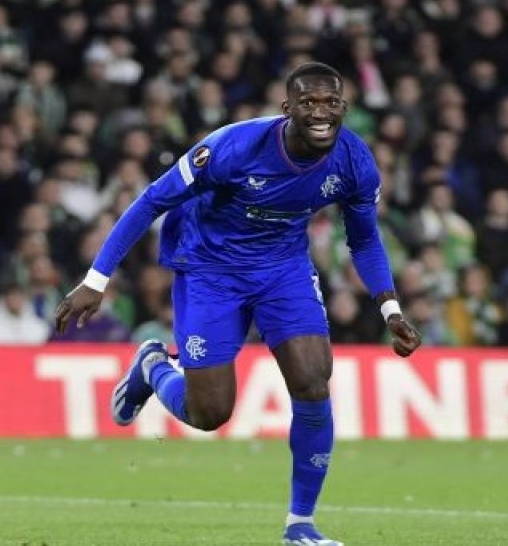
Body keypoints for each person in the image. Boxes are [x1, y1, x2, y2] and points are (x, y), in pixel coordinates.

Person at [54, 63, 422, 546]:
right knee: (210, 413)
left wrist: (390, 310)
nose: (320, 113)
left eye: (330, 103)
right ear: (286, 109)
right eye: (307, 103)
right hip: (211, 270)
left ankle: (301, 525)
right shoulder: (232, 148)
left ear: (344, 109)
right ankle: (153, 368)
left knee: (313, 379)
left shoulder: (354, 161)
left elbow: (365, 240)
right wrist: (96, 279)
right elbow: (150, 201)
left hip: (283, 269)